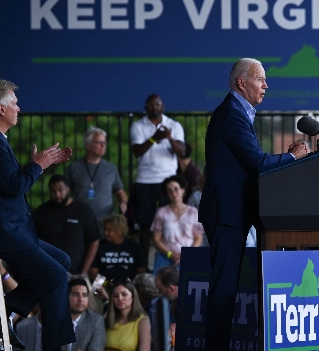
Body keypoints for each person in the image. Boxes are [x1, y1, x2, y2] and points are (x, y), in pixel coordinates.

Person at [198, 58, 308, 350]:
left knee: (228, 288)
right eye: (260, 80)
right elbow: (258, 162)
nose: (266, 86)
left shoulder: (239, 111)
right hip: (226, 214)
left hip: (236, 212)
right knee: (224, 290)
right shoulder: (232, 114)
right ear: (241, 82)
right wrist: (293, 157)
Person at [0, 79, 75, 351]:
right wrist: (38, 166)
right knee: (55, 277)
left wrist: (39, 166)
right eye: (14, 103)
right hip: (4, 232)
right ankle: (55, 346)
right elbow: (14, 186)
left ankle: (4, 310)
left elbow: (12, 183)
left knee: (62, 260)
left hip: (14, 229)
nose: (19, 108)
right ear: (1, 109)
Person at [130, 94, 186, 260]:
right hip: (145, 180)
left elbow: (182, 152)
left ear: (163, 106)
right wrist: (155, 138)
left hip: (167, 179)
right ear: (146, 107)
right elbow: (136, 152)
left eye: (158, 104)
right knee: (145, 224)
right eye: (151, 104)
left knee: (169, 223)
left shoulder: (174, 125)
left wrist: (168, 138)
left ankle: (172, 259)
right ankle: (143, 264)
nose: (155, 107)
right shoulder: (138, 126)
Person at [33, 175, 101, 275]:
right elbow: (32, 240)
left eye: (60, 190)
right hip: (48, 269)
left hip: (75, 270)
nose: (57, 195)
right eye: (53, 191)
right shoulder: (41, 212)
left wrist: (84, 271)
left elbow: (94, 240)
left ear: (67, 189)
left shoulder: (83, 211)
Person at [64, 127, 128, 230]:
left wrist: (123, 202)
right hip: (80, 220)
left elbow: (120, 191)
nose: (103, 146)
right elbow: (64, 191)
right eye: (98, 143)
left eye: (104, 143)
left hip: (106, 222)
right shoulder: (74, 167)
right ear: (88, 145)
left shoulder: (110, 168)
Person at [150, 175, 203, 271]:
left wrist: (188, 254)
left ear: (182, 190)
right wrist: (170, 254)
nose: (173, 193)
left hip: (189, 257)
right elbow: (156, 239)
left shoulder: (193, 212)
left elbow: (198, 237)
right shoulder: (161, 212)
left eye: (176, 189)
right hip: (165, 256)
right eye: (169, 191)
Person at [89, 214, 147, 282]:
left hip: (129, 285)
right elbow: (94, 272)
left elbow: (141, 271)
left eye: (109, 230)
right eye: (105, 229)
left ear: (119, 230)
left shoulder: (134, 246)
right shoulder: (100, 246)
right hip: (105, 284)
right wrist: (100, 288)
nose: (105, 233)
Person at [105, 278, 151, 351]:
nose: (120, 298)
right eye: (115, 296)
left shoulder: (142, 321)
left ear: (133, 297)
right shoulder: (107, 317)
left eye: (124, 294)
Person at [64, 277, 106, 351]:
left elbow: (96, 348)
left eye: (84, 295)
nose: (80, 299)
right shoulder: (55, 319)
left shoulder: (96, 321)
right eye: (75, 294)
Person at [153, 266, 179, 349]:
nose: (159, 293)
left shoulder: (188, 311)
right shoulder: (164, 308)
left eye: (160, 290)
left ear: (171, 289)